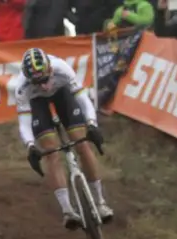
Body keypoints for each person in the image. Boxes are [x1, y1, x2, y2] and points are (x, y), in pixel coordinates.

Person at [14, 48, 112, 229]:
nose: (44, 86)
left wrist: (92, 124)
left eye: (45, 79)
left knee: (82, 144)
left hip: (62, 95)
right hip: (38, 104)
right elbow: (24, 121)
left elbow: (83, 99)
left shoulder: (62, 68)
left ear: (50, 68)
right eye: (38, 82)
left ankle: (100, 202)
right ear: (28, 79)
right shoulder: (21, 87)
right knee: (51, 153)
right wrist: (30, 146)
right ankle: (68, 211)